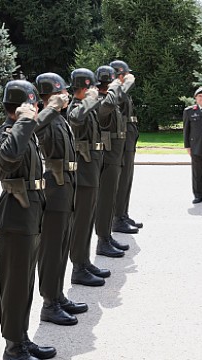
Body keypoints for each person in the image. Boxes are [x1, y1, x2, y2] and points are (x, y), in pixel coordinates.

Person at [0, 81, 57, 359]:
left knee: (25, 282)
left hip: (30, 212)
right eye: (31, 104)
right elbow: (8, 155)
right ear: (18, 108)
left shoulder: (24, 130)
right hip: (15, 215)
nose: (35, 109)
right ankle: (12, 345)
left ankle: (21, 337)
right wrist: (24, 120)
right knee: (15, 284)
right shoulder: (6, 133)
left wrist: (33, 118)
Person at [35, 72, 88, 326]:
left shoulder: (59, 118)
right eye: (58, 94)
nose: (64, 96)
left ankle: (58, 295)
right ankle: (49, 303)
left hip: (66, 186)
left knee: (62, 245)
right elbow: (33, 128)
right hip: (54, 189)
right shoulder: (42, 118)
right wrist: (51, 106)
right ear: (47, 97)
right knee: (52, 249)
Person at [67, 68, 113, 287]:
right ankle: (78, 267)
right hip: (83, 172)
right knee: (82, 221)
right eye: (91, 87)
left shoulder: (89, 106)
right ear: (82, 88)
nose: (95, 90)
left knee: (88, 219)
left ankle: (84, 261)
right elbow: (76, 119)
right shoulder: (75, 107)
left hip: (92, 167)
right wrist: (91, 100)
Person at [93, 65, 129, 257]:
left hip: (114, 153)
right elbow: (105, 108)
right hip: (107, 155)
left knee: (111, 196)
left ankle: (106, 236)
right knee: (106, 199)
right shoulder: (101, 100)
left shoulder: (110, 99)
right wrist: (115, 88)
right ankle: (102, 240)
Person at [110, 60, 142, 234]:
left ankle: (123, 214)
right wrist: (127, 83)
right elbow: (118, 98)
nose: (128, 77)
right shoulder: (114, 90)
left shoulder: (122, 90)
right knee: (121, 180)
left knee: (127, 178)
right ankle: (117, 218)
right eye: (125, 75)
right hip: (121, 139)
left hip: (128, 136)